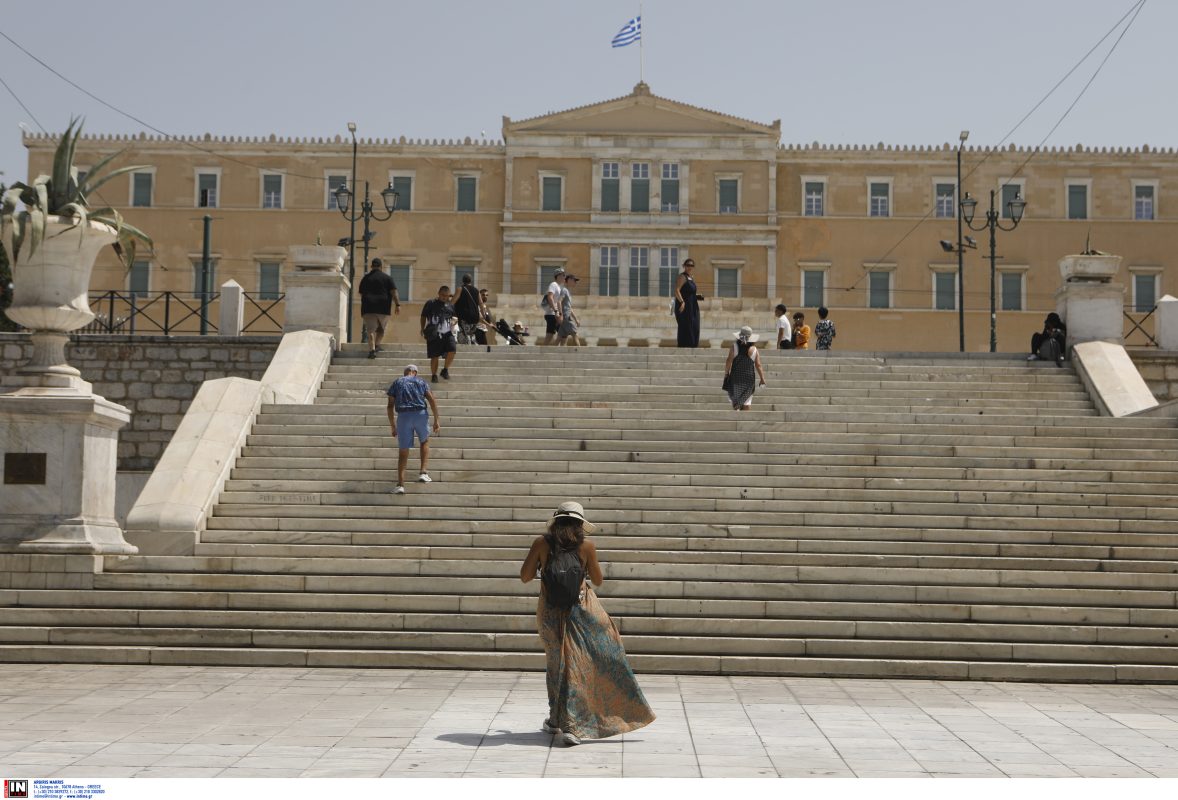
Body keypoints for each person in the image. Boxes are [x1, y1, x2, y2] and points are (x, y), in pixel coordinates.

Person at [519, 501, 656, 747]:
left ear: (556, 522)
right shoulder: (587, 547)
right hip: (582, 610)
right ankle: (575, 725)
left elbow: (525, 576)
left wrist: (549, 568)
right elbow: (599, 580)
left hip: (550, 612)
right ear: (581, 525)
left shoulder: (541, 543)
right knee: (580, 665)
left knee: (556, 665)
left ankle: (557, 720)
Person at [386, 364, 440, 494]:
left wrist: (393, 425)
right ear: (414, 372)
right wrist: (436, 419)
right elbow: (431, 399)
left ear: (406, 372)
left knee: (403, 451)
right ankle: (423, 472)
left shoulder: (397, 382)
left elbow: (390, 406)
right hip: (420, 414)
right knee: (424, 441)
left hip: (403, 416)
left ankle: (400, 485)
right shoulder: (420, 381)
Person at [358, 257, 401, 360]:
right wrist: (397, 305)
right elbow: (394, 292)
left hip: (368, 307)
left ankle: (372, 350)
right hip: (383, 307)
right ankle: (376, 345)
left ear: (371, 266)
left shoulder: (366, 278)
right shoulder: (388, 278)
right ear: (381, 267)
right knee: (381, 329)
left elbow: (360, 292)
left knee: (371, 330)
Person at [724, 325, 767, 410]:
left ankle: (737, 415)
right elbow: (758, 365)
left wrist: (726, 373)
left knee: (735, 400)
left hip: (735, 378)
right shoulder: (754, 349)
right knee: (747, 402)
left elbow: (729, 361)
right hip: (748, 379)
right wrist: (762, 379)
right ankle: (745, 420)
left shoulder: (735, 347)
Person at [421, 286, 457, 382]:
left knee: (452, 349)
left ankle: (445, 370)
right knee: (434, 356)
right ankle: (434, 375)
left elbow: (455, 317)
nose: (445, 297)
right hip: (434, 333)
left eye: (447, 296)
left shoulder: (450, 305)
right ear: (438, 293)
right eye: (443, 295)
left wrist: (454, 322)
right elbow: (423, 316)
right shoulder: (431, 303)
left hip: (447, 332)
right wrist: (422, 328)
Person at [674, 258, 702, 348]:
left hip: (693, 306)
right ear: (684, 266)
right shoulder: (682, 277)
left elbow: (689, 292)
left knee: (695, 326)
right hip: (685, 306)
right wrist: (682, 302)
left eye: (691, 265)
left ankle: (693, 346)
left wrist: (697, 296)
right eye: (688, 265)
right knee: (686, 326)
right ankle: (684, 346)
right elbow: (677, 290)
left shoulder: (691, 278)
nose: (690, 267)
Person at [453, 274, 482, 345]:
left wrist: (447, 310)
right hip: (474, 317)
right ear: (471, 281)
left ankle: (468, 344)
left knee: (463, 334)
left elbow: (453, 301)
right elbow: (481, 303)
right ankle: (472, 343)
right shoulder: (476, 291)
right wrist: (483, 315)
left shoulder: (460, 289)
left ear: (462, 281)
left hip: (464, 316)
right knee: (470, 333)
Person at [555, 274, 582, 346]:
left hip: (565, 317)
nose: (575, 282)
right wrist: (561, 314)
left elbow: (569, 308)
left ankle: (548, 354)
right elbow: (559, 301)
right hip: (566, 317)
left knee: (560, 338)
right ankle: (580, 354)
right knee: (575, 334)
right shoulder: (564, 290)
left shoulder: (568, 292)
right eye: (574, 280)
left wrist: (576, 319)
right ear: (569, 280)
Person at [542, 267, 566, 345]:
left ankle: (558, 350)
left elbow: (558, 301)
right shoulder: (553, 284)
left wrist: (560, 313)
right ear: (558, 276)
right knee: (550, 335)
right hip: (551, 314)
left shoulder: (559, 287)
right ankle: (541, 352)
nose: (564, 277)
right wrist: (556, 311)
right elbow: (550, 297)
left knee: (562, 334)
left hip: (555, 314)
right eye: (563, 275)